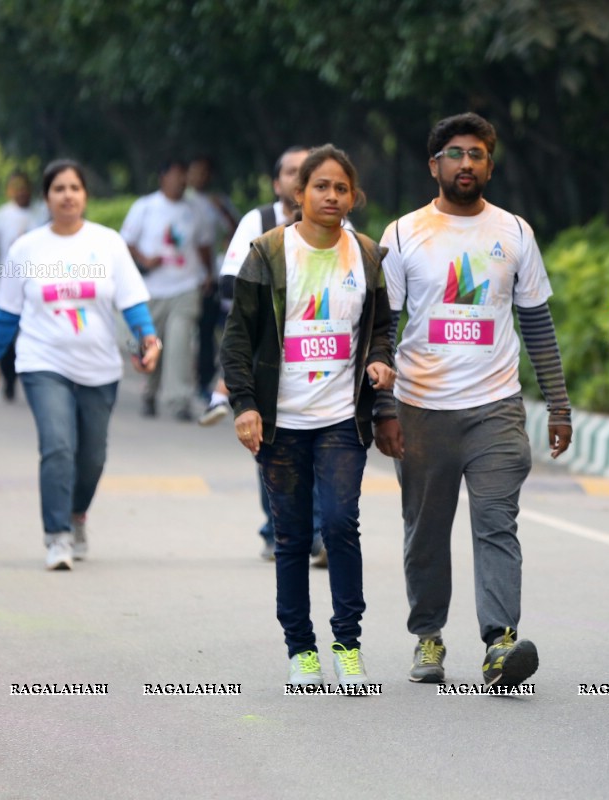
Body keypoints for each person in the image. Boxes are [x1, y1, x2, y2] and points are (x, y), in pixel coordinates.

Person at [374, 112, 572, 687]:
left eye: (477, 154)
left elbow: (536, 323)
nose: (467, 163)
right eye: (455, 154)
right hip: (421, 407)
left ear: (490, 164)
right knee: (426, 530)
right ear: (434, 165)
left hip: (496, 407)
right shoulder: (404, 233)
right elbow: (383, 326)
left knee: (495, 522)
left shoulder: (514, 232)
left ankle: (499, 643)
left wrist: (557, 404)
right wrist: (384, 409)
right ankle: (428, 637)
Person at [221, 144, 395, 687]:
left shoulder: (365, 255)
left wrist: (379, 362)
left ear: (353, 197)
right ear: (299, 194)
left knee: (342, 525)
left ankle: (348, 643)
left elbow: (383, 327)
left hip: (343, 419)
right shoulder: (268, 252)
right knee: (293, 537)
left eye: (341, 188)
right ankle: (301, 648)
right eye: (320, 186)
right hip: (282, 421)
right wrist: (245, 405)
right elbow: (236, 341)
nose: (331, 196)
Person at [0, 159, 161, 570]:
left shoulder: (108, 243)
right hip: (43, 361)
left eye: (74, 188)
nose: (67, 195)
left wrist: (147, 338)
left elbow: (131, 302)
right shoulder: (26, 248)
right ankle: (57, 535)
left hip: (99, 365)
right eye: (58, 188)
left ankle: (78, 515)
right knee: (58, 446)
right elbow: (7, 312)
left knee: (92, 456)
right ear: (47, 197)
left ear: (85, 195)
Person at [199, 146, 328, 568]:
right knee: (272, 443)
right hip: (268, 351)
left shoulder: (336, 220)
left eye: (306, 171)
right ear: (278, 183)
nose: (298, 179)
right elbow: (231, 283)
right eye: (291, 172)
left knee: (322, 443)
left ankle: (321, 533)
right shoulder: (259, 221)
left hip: (319, 351)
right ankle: (276, 530)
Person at [120, 159, 214, 421]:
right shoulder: (146, 207)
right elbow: (125, 242)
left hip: (185, 287)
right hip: (151, 290)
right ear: (163, 177)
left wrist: (209, 274)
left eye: (184, 176)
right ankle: (149, 392)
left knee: (180, 341)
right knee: (152, 344)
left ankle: (179, 400)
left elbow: (204, 245)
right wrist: (144, 259)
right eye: (176, 176)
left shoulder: (196, 210)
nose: (181, 181)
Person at [0, 172, 40, 400]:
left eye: (26, 187)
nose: (22, 192)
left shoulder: (41, 214)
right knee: (7, 338)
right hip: (6, 287)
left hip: (37, 290)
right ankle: (9, 379)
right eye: (17, 188)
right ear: (10, 190)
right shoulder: (0, 216)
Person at [186, 155, 240, 398]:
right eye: (196, 171)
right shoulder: (181, 201)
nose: (201, 177)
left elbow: (237, 230)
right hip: (183, 277)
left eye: (205, 172)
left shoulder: (217, 202)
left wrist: (222, 210)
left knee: (207, 332)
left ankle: (203, 381)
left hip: (210, 279)